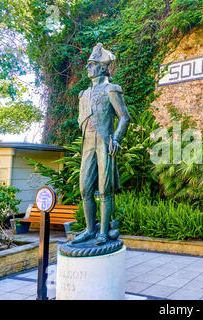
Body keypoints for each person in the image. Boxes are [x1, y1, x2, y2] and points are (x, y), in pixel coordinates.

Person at [71, 43, 130, 246]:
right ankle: (89, 229)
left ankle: (103, 232)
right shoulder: (83, 94)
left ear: (102, 67)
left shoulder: (111, 90)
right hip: (87, 143)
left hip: (104, 142)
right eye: (88, 64)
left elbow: (124, 117)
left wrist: (117, 139)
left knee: (105, 190)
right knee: (85, 189)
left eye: (92, 64)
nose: (88, 67)